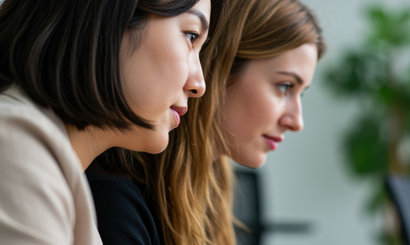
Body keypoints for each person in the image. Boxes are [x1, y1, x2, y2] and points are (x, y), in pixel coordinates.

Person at [87, 0, 326, 244]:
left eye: (301, 93)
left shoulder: (207, 198)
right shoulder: (113, 202)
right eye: (284, 87)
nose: (296, 122)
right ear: (219, 69)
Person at [0, 0, 214, 244]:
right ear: (114, 16)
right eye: (191, 36)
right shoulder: (17, 146)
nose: (199, 84)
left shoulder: (61, 180)